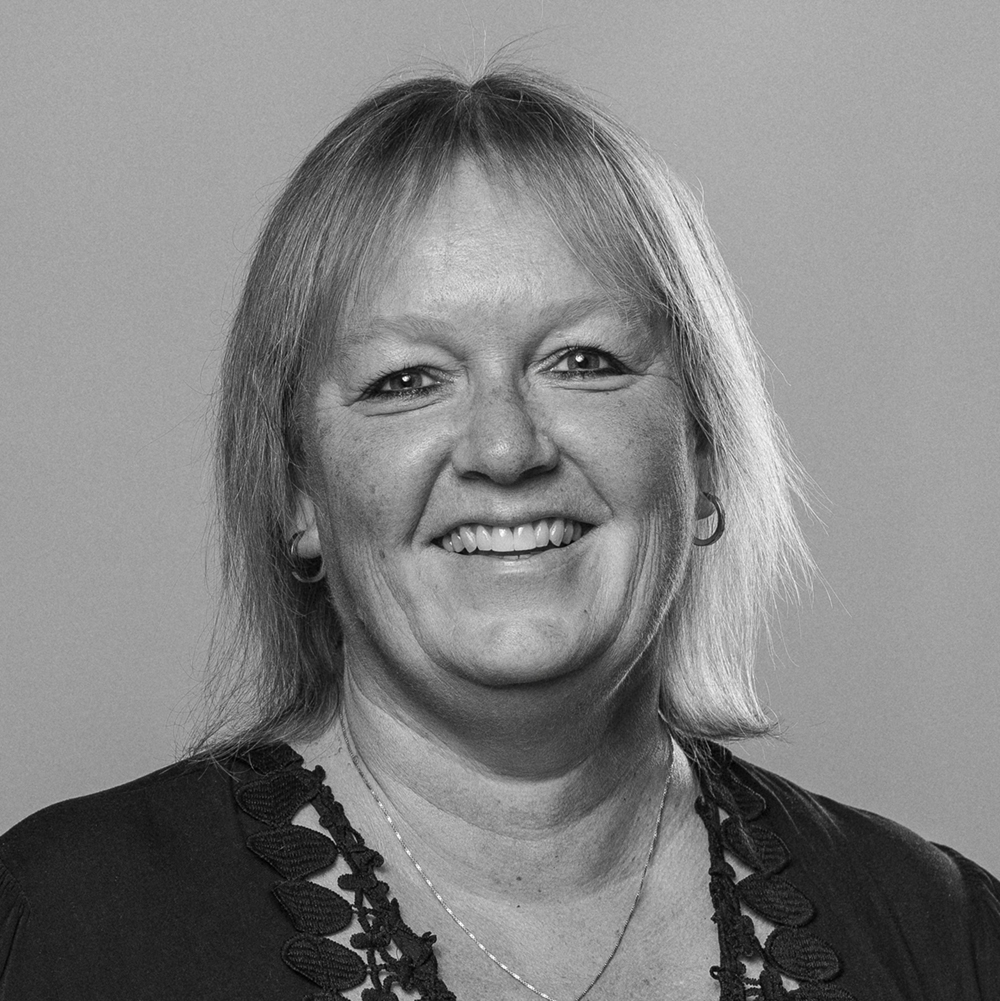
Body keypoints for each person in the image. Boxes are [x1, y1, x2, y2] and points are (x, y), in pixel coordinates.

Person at [1, 67, 997, 1001]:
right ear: (298, 492)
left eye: (583, 360)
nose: (506, 447)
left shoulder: (947, 935)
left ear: (701, 449)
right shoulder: (59, 924)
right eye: (406, 380)